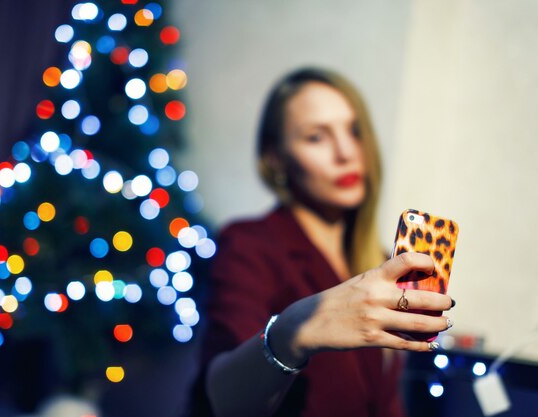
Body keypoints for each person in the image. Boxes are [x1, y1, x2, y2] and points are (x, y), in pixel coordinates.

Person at [190, 67, 455, 417]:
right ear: (275, 159)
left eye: (354, 131)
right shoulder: (249, 244)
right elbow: (223, 400)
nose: (346, 152)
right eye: (316, 137)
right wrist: (291, 332)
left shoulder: (375, 260)